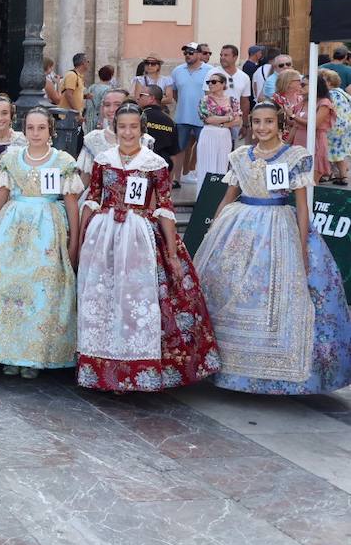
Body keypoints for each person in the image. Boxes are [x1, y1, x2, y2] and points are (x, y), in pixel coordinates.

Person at [194, 102, 351, 394]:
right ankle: (224, 365)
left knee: (275, 295)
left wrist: (303, 244)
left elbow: (302, 206)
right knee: (225, 289)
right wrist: (213, 229)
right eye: (256, 122)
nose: (262, 128)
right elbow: (229, 196)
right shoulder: (240, 155)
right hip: (238, 227)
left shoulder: (295, 157)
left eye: (268, 122)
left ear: (280, 125)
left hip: (279, 226)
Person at [75, 102, 220, 392]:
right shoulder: (104, 159)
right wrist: (81, 239)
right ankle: (102, 369)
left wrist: (171, 252)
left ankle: (137, 367)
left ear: (142, 129)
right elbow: (92, 199)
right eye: (122, 127)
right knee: (102, 299)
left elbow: (165, 207)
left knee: (136, 300)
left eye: (133, 127)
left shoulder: (154, 163)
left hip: (139, 234)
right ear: (114, 129)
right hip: (104, 235)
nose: (128, 132)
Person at [0, 107, 81, 378]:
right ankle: (8, 353)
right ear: (24, 131)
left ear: (51, 131)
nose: (36, 133)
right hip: (12, 230)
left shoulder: (62, 161)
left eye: (41, 128)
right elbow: (0, 196)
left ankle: (34, 356)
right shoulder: (12, 159)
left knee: (41, 290)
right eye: (31, 128)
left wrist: (73, 242)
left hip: (47, 231)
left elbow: (71, 204)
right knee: (6, 287)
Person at [171, 42, 214, 183]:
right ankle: (176, 179)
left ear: (199, 54)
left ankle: (201, 178)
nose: (187, 55)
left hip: (203, 119)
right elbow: (175, 93)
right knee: (179, 150)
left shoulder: (210, 70)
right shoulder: (177, 71)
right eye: (185, 53)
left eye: (191, 52)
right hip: (182, 118)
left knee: (203, 150)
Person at [78, 87, 133, 180]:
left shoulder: (144, 140)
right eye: (107, 105)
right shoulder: (92, 139)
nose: (111, 109)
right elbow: (85, 178)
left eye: (117, 104)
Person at [195, 71, 237, 183]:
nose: (210, 84)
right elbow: (208, 119)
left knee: (222, 167)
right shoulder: (205, 100)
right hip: (209, 134)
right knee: (206, 166)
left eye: (214, 82)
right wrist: (228, 118)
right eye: (209, 82)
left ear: (223, 84)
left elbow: (238, 120)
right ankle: (204, 197)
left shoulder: (232, 100)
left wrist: (220, 122)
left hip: (225, 135)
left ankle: (219, 197)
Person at [138, 85, 179, 173]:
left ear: (151, 98)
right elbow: (173, 155)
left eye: (141, 95)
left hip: (141, 167)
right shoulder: (170, 121)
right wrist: (169, 182)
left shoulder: (138, 117)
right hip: (162, 169)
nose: (138, 98)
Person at [324, 70, 351, 185]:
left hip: (335, 127)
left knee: (334, 152)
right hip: (345, 126)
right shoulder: (342, 92)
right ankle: (339, 175)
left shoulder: (331, 95)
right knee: (341, 152)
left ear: (329, 83)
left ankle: (341, 176)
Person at [218, 45, 252, 139]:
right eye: (221, 55)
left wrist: (245, 124)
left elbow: (245, 102)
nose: (222, 58)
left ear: (235, 57)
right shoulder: (213, 74)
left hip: (235, 123)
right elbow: (208, 99)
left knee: (231, 151)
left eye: (226, 55)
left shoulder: (244, 77)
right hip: (216, 125)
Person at [83, 64, 115, 133]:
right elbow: (102, 106)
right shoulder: (108, 89)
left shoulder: (92, 87)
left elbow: (87, 103)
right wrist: (101, 121)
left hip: (89, 118)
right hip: (99, 119)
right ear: (111, 76)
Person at [60, 53, 89, 126]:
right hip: (68, 116)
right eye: (87, 61)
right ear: (83, 63)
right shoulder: (72, 75)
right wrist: (77, 113)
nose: (88, 63)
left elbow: (74, 94)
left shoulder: (78, 76)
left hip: (73, 116)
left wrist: (85, 96)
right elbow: (68, 95)